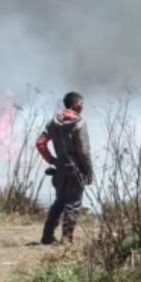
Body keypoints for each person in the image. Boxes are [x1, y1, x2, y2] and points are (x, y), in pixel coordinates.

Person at [35, 92, 93, 245]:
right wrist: (88, 172)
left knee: (59, 202)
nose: (83, 106)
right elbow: (84, 151)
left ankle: (47, 236)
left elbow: (40, 143)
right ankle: (67, 240)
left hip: (60, 169)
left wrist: (53, 160)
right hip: (76, 169)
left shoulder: (53, 122)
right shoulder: (79, 123)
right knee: (73, 205)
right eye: (82, 102)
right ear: (76, 104)